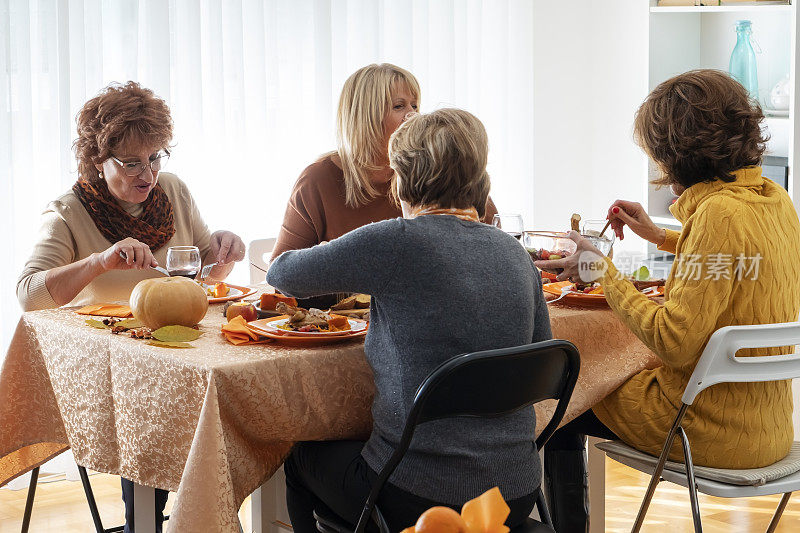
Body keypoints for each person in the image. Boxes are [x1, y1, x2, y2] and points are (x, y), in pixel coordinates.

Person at [535, 69, 800, 532]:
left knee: (567, 397)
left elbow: (673, 341)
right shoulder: (772, 198)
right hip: (772, 430)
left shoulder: (717, 213)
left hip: (705, 432)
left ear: (676, 154)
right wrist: (657, 236)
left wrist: (601, 269)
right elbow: (739, 260)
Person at [268, 108, 551, 532]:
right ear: (479, 177)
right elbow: (540, 348)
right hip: (514, 493)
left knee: (300, 454)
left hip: (416, 495)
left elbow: (282, 273)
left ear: (400, 177)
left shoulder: (396, 242)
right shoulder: (514, 253)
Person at [16, 81, 246, 533]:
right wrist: (99, 262)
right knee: (160, 410)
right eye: (132, 162)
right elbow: (28, 294)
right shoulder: (67, 213)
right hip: (106, 371)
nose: (148, 174)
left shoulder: (174, 192)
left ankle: (193, 518)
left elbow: (202, 276)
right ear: (97, 163)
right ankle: (151, 523)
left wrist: (224, 252)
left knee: (231, 404)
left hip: (178, 354)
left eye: (156, 157)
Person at [270, 63, 498, 260]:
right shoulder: (318, 179)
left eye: (415, 105)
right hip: (339, 311)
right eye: (399, 106)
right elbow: (280, 273)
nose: (413, 116)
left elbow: (492, 241)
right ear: (364, 118)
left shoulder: (438, 168)